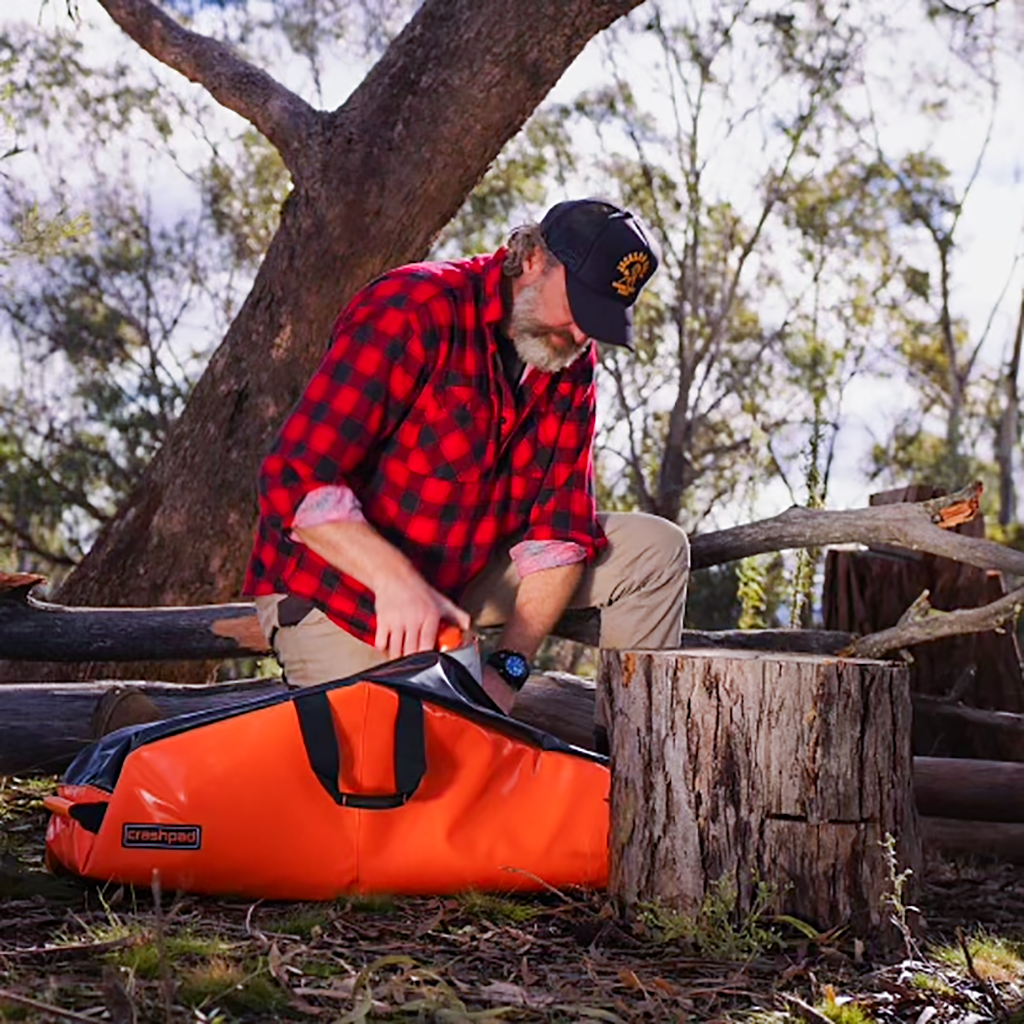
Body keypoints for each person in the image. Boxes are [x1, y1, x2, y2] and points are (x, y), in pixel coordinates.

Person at [244, 198, 689, 715]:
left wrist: (509, 668)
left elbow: (561, 531)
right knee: (416, 758)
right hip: (338, 585)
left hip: (459, 571)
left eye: (600, 320)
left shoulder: (570, 360)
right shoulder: (412, 309)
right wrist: (395, 580)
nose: (583, 336)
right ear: (533, 259)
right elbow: (294, 479)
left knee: (656, 552)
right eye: (580, 309)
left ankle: (635, 769)